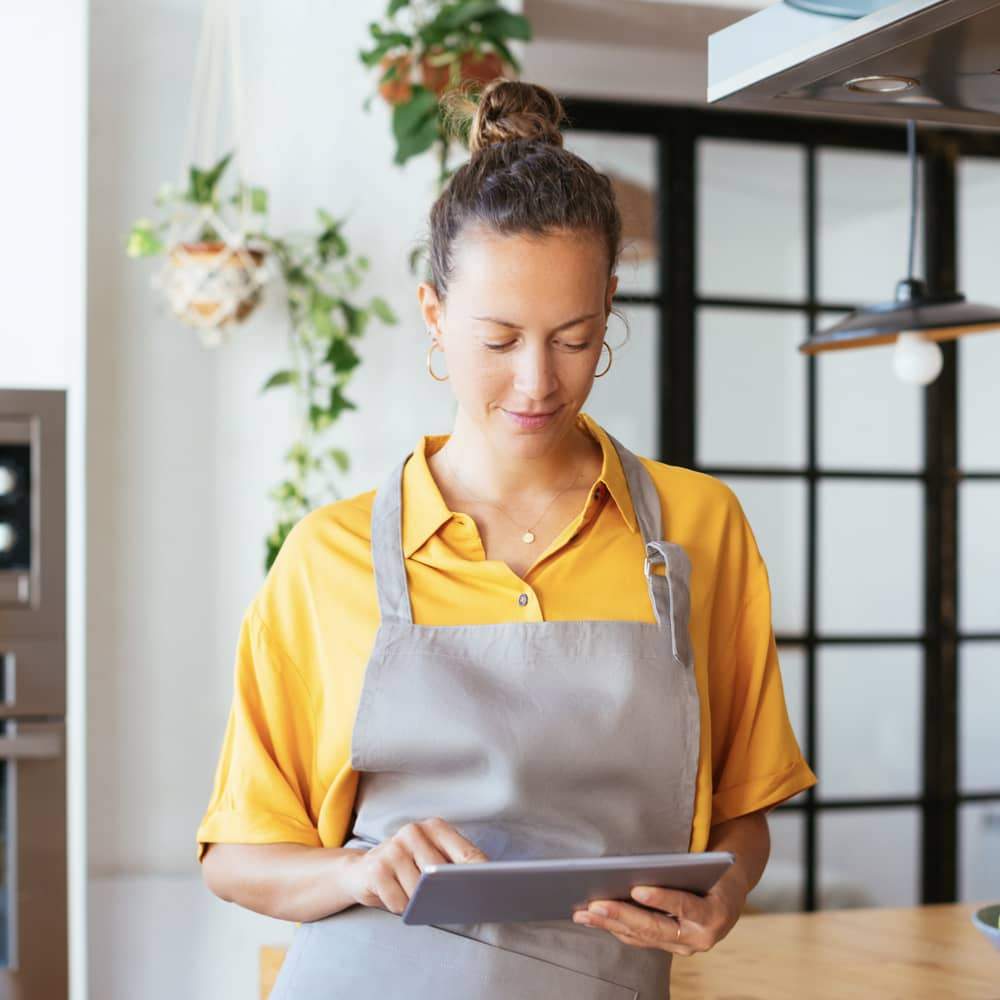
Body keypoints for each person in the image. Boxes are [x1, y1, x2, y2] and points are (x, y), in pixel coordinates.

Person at [197, 79, 818, 998]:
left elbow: (743, 815)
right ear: (434, 314)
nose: (536, 381)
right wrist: (355, 872)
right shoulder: (326, 558)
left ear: (610, 304)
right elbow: (237, 855)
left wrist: (723, 896)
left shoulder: (698, 530)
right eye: (499, 339)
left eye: (574, 337)